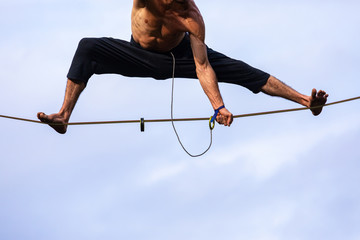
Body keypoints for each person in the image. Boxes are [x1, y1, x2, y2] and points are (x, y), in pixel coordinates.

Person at [37, 0, 328, 134]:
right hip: (137, 54)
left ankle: (306, 101)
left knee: (241, 70)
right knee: (88, 47)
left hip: (180, 56)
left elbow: (202, 66)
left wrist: (219, 106)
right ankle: (63, 116)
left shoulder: (191, 18)